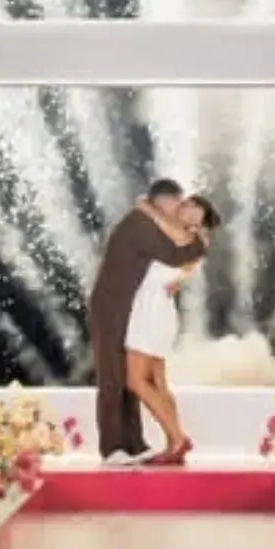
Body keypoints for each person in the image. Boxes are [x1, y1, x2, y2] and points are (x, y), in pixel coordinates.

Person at [87, 177, 210, 466]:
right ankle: (113, 448)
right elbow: (174, 254)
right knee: (114, 378)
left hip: (135, 309)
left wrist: (196, 242)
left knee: (132, 379)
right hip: (112, 308)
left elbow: (172, 260)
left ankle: (133, 443)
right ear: (165, 201)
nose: (180, 209)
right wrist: (201, 241)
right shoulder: (138, 224)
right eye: (178, 203)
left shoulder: (149, 220)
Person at [124, 190, 221, 465]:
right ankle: (173, 443)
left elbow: (156, 220)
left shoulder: (188, 237)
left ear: (201, 221)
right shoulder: (189, 240)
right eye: (187, 205)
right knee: (157, 382)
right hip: (156, 310)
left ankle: (177, 437)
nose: (187, 210)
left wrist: (148, 208)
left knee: (135, 380)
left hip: (152, 312)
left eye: (195, 210)